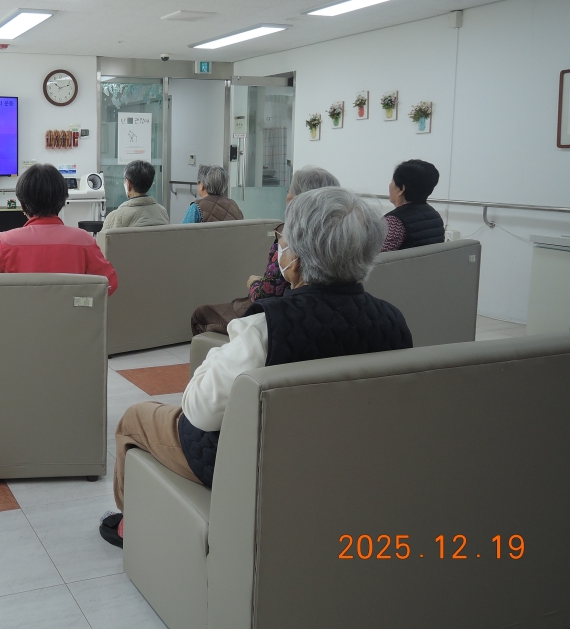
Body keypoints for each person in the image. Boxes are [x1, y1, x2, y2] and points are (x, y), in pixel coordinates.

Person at [100, 187, 412, 548]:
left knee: (134, 419)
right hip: (346, 462)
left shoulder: (265, 327)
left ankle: (130, 526)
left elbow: (199, 411)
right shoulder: (394, 322)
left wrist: (215, 358)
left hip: (254, 465)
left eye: (283, 241)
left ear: (296, 258)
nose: (280, 249)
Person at [190, 166, 340, 335]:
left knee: (200, 315)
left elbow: (267, 294)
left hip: (274, 314)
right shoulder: (342, 240)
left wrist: (254, 283)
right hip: (321, 314)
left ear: (293, 199)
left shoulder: (290, 243)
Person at [0, 163, 118, 294]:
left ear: (23, 205)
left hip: (18, 321)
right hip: (71, 321)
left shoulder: (4, 242)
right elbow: (110, 284)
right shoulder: (85, 241)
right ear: (63, 201)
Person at [381, 159, 445, 251]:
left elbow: (380, 257)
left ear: (402, 189)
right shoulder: (434, 216)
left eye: (392, 181)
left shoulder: (394, 221)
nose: (390, 185)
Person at [101, 160, 169, 230]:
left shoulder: (115, 217)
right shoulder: (162, 212)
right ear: (151, 184)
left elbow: (104, 237)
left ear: (128, 184)